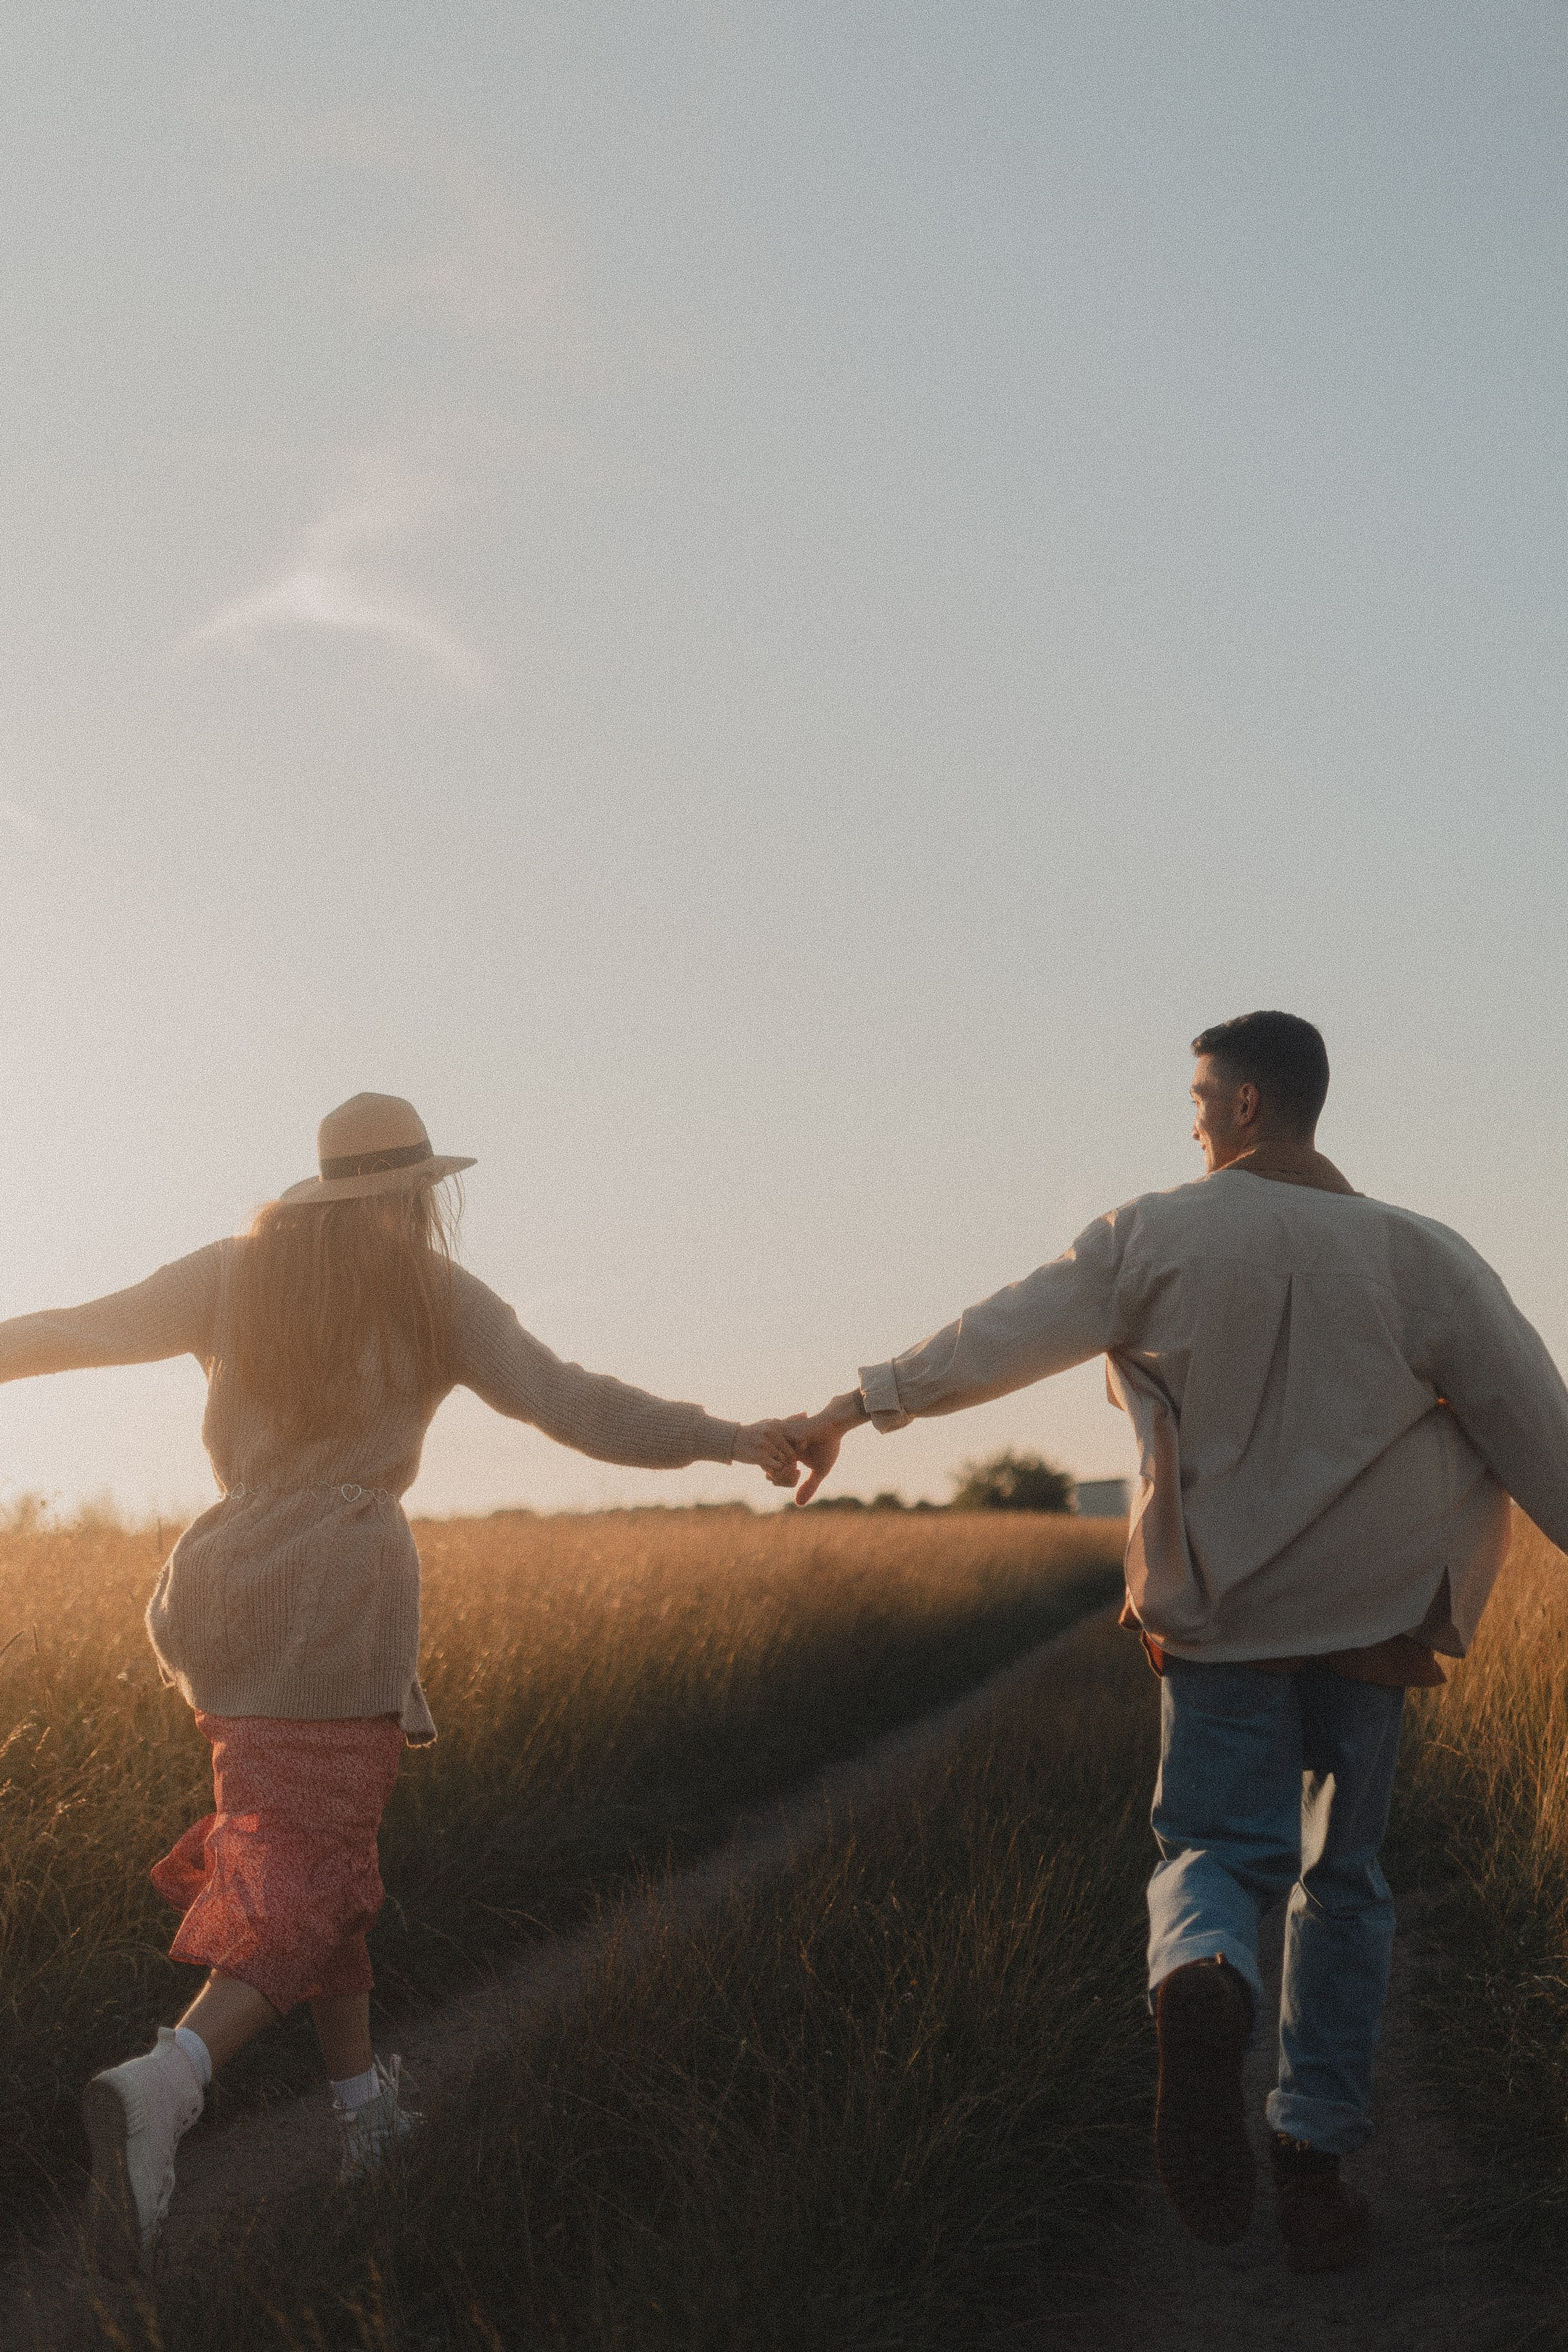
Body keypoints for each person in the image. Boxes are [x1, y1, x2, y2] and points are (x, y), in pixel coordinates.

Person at [781, 1011, 1568, 2273]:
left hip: (1217, 1615)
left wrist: (853, 1405)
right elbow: (1539, 1428)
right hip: (1370, 1623)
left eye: (1201, 1098)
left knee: (1213, 1850)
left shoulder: (1151, 1233)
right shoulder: (1424, 1255)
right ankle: (1312, 2166)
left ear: (1249, 1104)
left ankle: (1202, 1968)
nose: (1191, 1121)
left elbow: (996, 1336)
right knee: (1345, 1882)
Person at [0, 1093, 798, 2272]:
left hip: (221, 1588)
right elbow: (577, 1404)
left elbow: (74, 1330)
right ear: (417, 1191)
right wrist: (734, 1437)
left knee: (318, 1855)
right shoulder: (432, 1294)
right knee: (319, 1870)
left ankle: (365, 2119)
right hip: (337, 1598)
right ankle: (168, 2082)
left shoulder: (232, 1270)